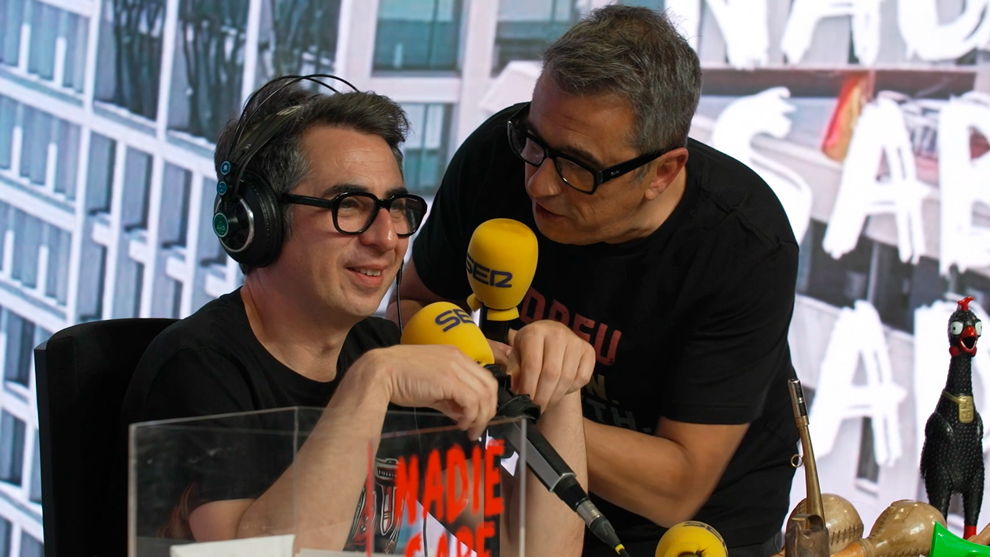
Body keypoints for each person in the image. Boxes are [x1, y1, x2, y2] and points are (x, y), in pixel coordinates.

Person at [118, 75, 595, 556]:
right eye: (349, 206)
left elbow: (530, 550)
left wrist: (559, 386)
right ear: (260, 221)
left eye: (396, 208)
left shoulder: (383, 349)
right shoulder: (199, 368)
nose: (386, 238)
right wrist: (372, 383)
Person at [389, 5, 801, 557]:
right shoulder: (499, 156)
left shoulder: (743, 246)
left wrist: (513, 395)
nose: (538, 184)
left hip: (688, 530)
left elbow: (675, 487)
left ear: (662, 173)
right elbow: (412, 305)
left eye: (578, 168)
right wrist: (481, 368)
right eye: (535, 143)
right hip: (522, 486)